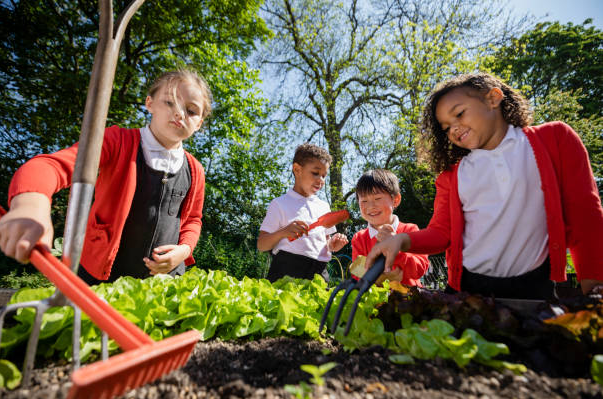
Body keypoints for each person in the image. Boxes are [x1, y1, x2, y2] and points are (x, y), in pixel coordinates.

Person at [365, 72, 603, 299]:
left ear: (493, 98)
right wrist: (401, 241)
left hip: (535, 285)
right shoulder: (452, 175)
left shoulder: (555, 139)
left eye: (459, 114)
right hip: (468, 287)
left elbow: (586, 217)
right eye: (446, 127)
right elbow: (441, 233)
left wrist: (594, 290)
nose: (454, 129)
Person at [0, 69, 212, 285]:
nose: (179, 114)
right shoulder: (117, 141)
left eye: (191, 111)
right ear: (150, 103)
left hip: (163, 282)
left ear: (200, 123)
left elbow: (193, 220)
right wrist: (30, 206)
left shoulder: (195, 170)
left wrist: (183, 251)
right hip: (100, 277)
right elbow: (49, 166)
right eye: (169, 102)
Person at [257, 143, 349, 282]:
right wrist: (283, 232)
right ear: (297, 169)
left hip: (319, 272)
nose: (321, 180)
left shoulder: (323, 206)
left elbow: (325, 243)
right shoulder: (279, 204)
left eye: (324, 175)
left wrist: (332, 245)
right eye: (315, 173)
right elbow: (262, 245)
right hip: (286, 270)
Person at [351, 169, 429, 287]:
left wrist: (395, 249)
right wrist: (388, 277)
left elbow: (419, 269)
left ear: (395, 200)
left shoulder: (410, 230)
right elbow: (358, 275)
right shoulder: (359, 238)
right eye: (364, 201)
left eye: (377, 198)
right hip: (375, 303)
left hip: (409, 300)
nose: (371, 206)